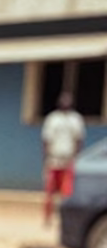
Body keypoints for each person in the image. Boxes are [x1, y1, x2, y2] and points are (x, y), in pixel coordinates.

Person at [41, 92, 85, 224]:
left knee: (67, 192)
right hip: (53, 158)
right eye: (63, 101)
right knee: (49, 191)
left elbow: (79, 140)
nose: (66, 103)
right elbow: (46, 140)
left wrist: (76, 157)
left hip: (68, 159)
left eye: (68, 101)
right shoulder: (52, 119)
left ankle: (65, 219)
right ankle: (47, 218)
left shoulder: (76, 119)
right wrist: (46, 157)